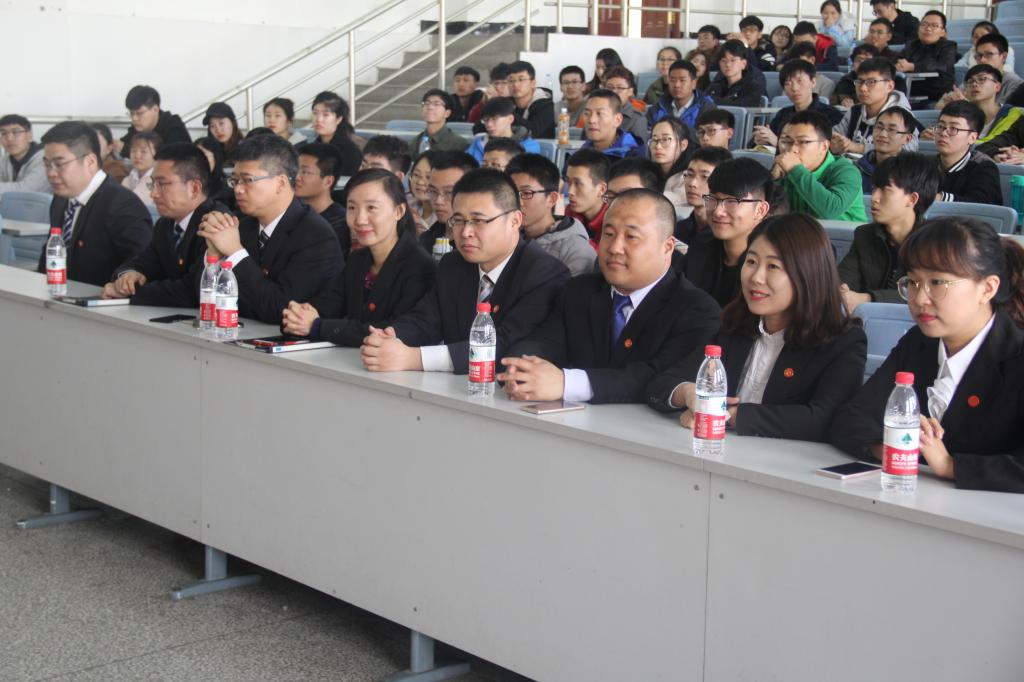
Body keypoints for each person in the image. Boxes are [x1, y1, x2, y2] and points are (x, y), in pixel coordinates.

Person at [830, 217, 1024, 493]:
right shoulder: (919, 342)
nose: (920, 299)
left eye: (937, 282)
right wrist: (894, 447)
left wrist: (950, 466)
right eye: (913, 282)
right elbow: (851, 418)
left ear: (987, 288)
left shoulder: (1016, 357)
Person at [649, 213, 867, 442]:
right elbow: (661, 383)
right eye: (751, 262)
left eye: (773, 266)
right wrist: (688, 394)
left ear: (807, 274)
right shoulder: (735, 327)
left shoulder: (843, 342)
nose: (756, 277)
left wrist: (731, 416)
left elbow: (824, 419)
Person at [499, 188, 720, 404]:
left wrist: (568, 383)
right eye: (609, 234)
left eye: (631, 237)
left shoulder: (696, 310)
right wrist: (522, 367)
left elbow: (660, 378)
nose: (615, 247)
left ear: (667, 247)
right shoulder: (578, 291)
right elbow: (545, 342)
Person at [360, 168, 570, 375]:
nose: (465, 232)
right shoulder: (453, 264)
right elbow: (425, 319)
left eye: (478, 221)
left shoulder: (545, 274)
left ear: (515, 221)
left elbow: (504, 345)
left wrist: (415, 358)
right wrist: (391, 337)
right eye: (458, 220)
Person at [196, 134, 342, 324]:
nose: (238, 189)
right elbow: (202, 299)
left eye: (247, 180)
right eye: (235, 181)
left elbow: (280, 310)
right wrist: (214, 258)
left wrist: (235, 253)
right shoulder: (243, 226)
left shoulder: (316, 237)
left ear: (280, 183)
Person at [281, 169, 436, 346]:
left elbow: (393, 330)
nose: (360, 219)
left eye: (371, 208)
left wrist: (317, 326)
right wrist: (299, 316)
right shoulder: (358, 260)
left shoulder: (420, 266)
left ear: (399, 211)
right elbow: (328, 304)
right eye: (352, 208)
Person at [102, 143, 225, 307]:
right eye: (152, 184)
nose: (153, 194)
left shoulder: (217, 224)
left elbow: (194, 291)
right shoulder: (165, 224)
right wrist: (129, 276)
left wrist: (133, 293)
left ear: (194, 188)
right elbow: (141, 262)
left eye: (162, 184)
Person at [37, 121, 152, 286]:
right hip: (60, 294)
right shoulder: (61, 199)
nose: (51, 173)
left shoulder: (122, 204)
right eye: (47, 165)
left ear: (90, 161)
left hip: (102, 298)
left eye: (59, 164)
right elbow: (51, 253)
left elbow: (141, 265)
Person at [839, 152, 942, 309]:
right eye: (874, 188)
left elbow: (928, 293)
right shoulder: (865, 235)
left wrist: (869, 299)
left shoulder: (935, 243)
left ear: (912, 199)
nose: (874, 197)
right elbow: (843, 280)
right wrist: (841, 292)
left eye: (886, 190)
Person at [682, 157, 772, 306]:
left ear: (760, 210)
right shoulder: (701, 245)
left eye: (732, 201)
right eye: (713, 199)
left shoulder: (772, 263)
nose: (718, 211)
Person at [507, 153, 596, 276]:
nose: (517, 202)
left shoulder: (576, 252)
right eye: (511, 193)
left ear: (551, 199)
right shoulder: (507, 236)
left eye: (526, 193)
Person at [774, 111, 868, 222]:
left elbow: (831, 209)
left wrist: (795, 170)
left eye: (803, 141)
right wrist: (772, 180)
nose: (792, 149)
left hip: (842, 233)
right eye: (786, 141)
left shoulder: (847, 172)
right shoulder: (783, 171)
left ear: (824, 146)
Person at [831, 57, 918, 157]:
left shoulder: (902, 116)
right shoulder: (855, 111)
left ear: (889, 86)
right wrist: (835, 145)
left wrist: (859, 148)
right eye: (859, 81)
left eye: (871, 82)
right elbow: (834, 137)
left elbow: (909, 150)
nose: (863, 88)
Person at [753, 60, 843, 149]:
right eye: (788, 83)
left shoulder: (831, 115)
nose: (794, 88)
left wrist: (777, 142)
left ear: (813, 82)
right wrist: (761, 139)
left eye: (800, 81)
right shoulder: (783, 114)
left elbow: (829, 150)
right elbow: (762, 140)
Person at [929, 65, 1022, 144]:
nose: (974, 84)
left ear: (997, 86)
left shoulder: (1013, 113)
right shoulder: (962, 113)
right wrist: (933, 135)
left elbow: (995, 143)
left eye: (982, 79)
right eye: (970, 81)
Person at [932, 101, 1002, 206]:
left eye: (953, 128)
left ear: (972, 138)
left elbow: (980, 205)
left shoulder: (985, 167)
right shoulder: (927, 165)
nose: (943, 133)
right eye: (941, 126)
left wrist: (938, 198)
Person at [417, 151, 478, 252]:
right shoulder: (424, 241)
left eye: (449, 192)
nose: (438, 201)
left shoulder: (478, 246)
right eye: (433, 191)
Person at [294, 142, 349, 254]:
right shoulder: (291, 211)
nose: (296, 177)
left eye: (305, 172)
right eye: (295, 170)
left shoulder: (339, 224)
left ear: (328, 181)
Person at [943, 36, 1023, 110]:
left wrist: (966, 104)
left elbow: (1006, 113)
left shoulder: (1015, 83)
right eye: (979, 55)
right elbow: (940, 105)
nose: (982, 60)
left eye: (989, 54)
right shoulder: (972, 80)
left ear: (1004, 56)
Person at [896, 10, 957, 106]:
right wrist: (898, 65)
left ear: (943, 32)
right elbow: (898, 59)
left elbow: (942, 65)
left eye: (934, 26)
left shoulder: (948, 46)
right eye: (924, 24)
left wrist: (913, 66)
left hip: (936, 93)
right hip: (912, 90)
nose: (928, 28)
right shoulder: (912, 44)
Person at [674, 146, 733, 245]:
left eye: (705, 177)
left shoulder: (726, 236)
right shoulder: (677, 230)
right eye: (690, 174)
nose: (693, 183)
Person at [854, 106, 919, 192]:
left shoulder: (914, 173)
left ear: (907, 139)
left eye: (892, 130)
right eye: (879, 127)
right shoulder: (856, 168)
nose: (882, 134)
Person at [119, 85, 191, 158]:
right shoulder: (139, 128)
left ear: (155, 109)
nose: (134, 118)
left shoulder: (174, 128)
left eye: (139, 113)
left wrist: (126, 150)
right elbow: (124, 142)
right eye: (131, 113)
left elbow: (169, 160)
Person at [647, 59, 717, 131]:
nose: (677, 85)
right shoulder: (658, 107)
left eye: (682, 80)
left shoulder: (706, 108)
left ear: (694, 83)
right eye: (672, 80)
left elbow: (708, 135)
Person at [466, 97, 541, 163]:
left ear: (510, 119)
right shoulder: (479, 142)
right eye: (486, 120)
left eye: (494, 119)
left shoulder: (528, 146)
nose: (489, 124)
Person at [304, 91, 363, 176]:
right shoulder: (312, 147)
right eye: (315, 113)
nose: (319, 119)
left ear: (338, 119)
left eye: (325, 114)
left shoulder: (349, 152)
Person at [565, 149, 611, 248]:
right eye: (568, 182)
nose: (570, 191)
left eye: (578, 184)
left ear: (601, 189)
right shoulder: (568, 213)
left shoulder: (612, 223)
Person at [649, 118, 696, 214]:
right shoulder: (646, 170)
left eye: (666, 139)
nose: (658, 146)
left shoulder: (690, 176)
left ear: (683, 145)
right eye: (654, 140)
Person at [580, 89, 642, 159]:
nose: (591, 120)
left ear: (617, 120)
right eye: (587, 113)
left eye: (600, 114)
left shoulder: (632, 154)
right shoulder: (583, 151)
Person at [707, 39, 767, 107]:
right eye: (723, 61)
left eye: (733, 60)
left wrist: (712, 100)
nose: (728, 64)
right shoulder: (715, 85)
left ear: (743, 64)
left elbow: (742, 106)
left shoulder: (753, 87)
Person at [0, 114, 49, 196]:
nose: (9, 138)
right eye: (3, 133)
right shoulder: (5, 160)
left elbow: (25, 190)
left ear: (29, 135)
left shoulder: (45, 159)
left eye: (15, 132)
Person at [411, 89, 468, 156]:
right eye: (427, 103)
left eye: (436, 104)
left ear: (447, 113)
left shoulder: (459, 144)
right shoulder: (415, 141)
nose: (430, 107)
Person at [508, 60, 556, 139]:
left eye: (521, 79)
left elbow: (534, 132)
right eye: (511, 80)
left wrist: (507, 114)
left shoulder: (546, 105)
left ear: (533, 83)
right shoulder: (507, 103)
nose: (515, 84)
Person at [603, 66, 649, 143]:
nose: (614, 92)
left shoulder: (637, 119)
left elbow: (639, 149)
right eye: (610, 87)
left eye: (620, 88)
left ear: (630, 91)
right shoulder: (596, 113)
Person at [832, 44, 882, 108]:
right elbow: (833, 104)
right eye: (859, 60)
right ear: (853, 64)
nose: (863, 64)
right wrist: (843, 101)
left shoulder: (881, 82)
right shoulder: (845, 82)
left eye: (867, 61)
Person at [122, 131, 161, 208]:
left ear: (158, 154)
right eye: (133, 151)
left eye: (143, 151)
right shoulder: (127, 179)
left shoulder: (158, 180)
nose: (137, 156)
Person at [407, 151, 437, 235]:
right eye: (416, 175)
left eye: (428, 177)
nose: (420, 182)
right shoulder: (406, 205)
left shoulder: (446, 217)